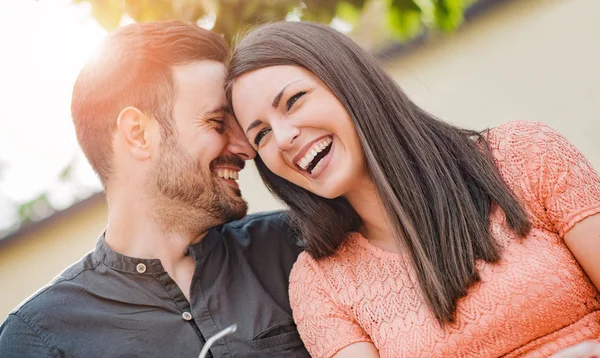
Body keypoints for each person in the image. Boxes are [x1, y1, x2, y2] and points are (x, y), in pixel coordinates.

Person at [227, 21, 600, 358]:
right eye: (261, 135)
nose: (284, 137)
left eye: (293, 101)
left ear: (350, 82)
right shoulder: (320, 285)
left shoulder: (524, 156)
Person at [0, 21, 310, 357]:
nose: (247, 148)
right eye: (217, 123)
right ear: (138, 134)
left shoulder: (296, 246)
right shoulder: (37, 338)